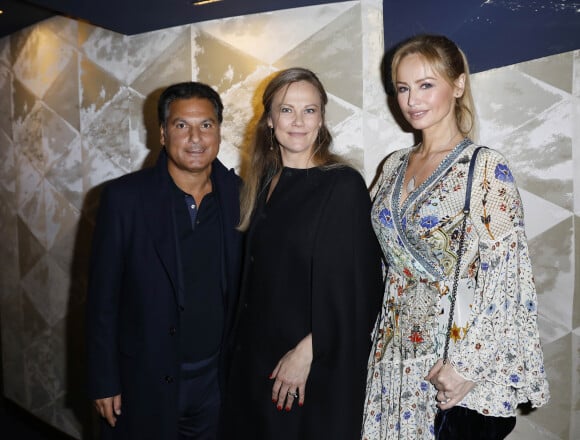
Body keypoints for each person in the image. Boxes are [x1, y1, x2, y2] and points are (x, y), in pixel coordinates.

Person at [362, 34, 550, 440]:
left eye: (426, 85)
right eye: (403, 88)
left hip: (450, 363)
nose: (412, 99)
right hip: (390, 358)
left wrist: (466, 367)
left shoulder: (485, 168)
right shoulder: (393, 165)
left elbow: (509, 276)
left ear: (459, 84)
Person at [223, 67, 383, 439]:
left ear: (322, 119)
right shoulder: (263, 182)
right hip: (254, 362)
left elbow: (363, 290)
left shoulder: (341, 185)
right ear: (268, 120)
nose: (298, 121)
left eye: (309, 110)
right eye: (286, 110)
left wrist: (308, 352)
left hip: (306, 368)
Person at [86, 81, 242, 439]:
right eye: (181, 125)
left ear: (219, 131)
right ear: (161, 132)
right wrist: (103, 380)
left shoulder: (240, 196)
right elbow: (102, 300)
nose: (195, 138)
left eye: (206, 125)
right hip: (143, 380)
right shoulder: (124, 200)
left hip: (216, 381)